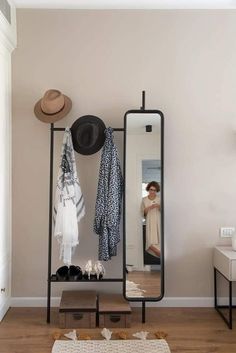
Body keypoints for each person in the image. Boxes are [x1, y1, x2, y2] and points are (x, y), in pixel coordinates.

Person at [141, 181, 161, 257]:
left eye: (154, 190)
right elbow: (143, 213)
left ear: (156, 191)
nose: (152, 191)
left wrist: (158, 206)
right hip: (149, 221)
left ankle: (160, 253)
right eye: (151, 189)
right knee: (149, 239)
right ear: (148, 189)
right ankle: (157, 252)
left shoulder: (159, 199)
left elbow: (164, 211)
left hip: (158, 221)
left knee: (159, 236)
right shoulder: (144, 200)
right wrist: (149, 208)